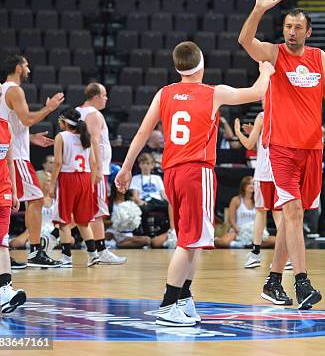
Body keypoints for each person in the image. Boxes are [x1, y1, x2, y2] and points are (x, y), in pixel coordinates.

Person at [115, 41, 274, 327]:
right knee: (188, 241)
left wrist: (126, 168)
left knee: (198, 238)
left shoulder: (164, 94)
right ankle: (167, 305)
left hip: (172, 171)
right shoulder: (214, 93)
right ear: (202, 63)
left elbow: (142, 132)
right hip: (196, 171)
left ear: (178, 66)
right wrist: (265, 69)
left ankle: (184, 296)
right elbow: (258, 92)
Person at [238, 0, 325, 309]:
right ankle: (302, 282)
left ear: (308, 32)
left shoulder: (319, 58)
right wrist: (258, 10)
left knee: (296, 217)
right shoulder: (274, 54)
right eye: (288, 26)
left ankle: (273, 281)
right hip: (281, 149)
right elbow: (245, 39)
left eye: (297, 27)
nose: (291, 31)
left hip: (312, 150)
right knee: (290, 213)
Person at [0, 54, 64, 268]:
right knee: (36, 200)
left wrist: (31, 138)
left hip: (8, 152)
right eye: (26, 65)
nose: (28, 68)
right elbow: (26, 119)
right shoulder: (14, 89)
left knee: (5, 204)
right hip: (16, 156)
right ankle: (36, 252)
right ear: (18, 68)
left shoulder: (0, 89)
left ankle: (3, 254)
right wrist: (50, 108)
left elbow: (11, 124)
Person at [234, 110, 293, 284]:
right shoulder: (286, 114)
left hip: (265, 173)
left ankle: (255, 253)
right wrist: (257, 131)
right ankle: (288, 257)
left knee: (261, 212)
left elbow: (249, 144)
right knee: (278, 214)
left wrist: (238, 132)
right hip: (281, 172)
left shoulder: (263, 115)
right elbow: (264, 142)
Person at [0, 77, 26, 313]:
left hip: (0, 194)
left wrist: (14, 190)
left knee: (0, 243)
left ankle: (6, 293)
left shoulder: (4, 125)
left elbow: (9, 161)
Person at [74, 83, 126, 265]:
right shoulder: (94, 114)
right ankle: (101, 250)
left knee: (81, 211)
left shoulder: (76, 112)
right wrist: (96, 168)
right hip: (95, 169)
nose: (106, 98)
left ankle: (57, 239)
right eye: (104, 95)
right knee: (98, 212)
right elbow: (94, 141)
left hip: (78, 168)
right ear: (95, 96)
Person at [49, 108, 100, 268]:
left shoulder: (61, 136)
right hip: (85, 178)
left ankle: (66, 257)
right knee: (83, 222)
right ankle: (93, 255)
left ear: (64, 122)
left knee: (63, 221)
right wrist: (91, 185)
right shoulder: (86, 137)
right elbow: (93, 163)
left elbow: (57, 163)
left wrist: (52, 185)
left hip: (68, 178)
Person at [130, 152, 176, 248]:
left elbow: (163, 194)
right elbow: (135, 195)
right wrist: (139, 201)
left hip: (157, 201)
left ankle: (171, 231)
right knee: (143, 209)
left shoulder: (157, 178)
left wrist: (170, 201)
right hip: (146, 201)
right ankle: (148, 236)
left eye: (148, 163)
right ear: (139, 165)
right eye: (143, 163)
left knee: (170, 206)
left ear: (152, 165)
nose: (145, 166)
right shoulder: (136, 178)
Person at [215, 176, 276, 249]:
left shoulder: (259, 201)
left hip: (255, 232)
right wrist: (238, 230)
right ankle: (240, 243)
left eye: (253, 184)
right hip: (238, 230)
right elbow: (231, 219)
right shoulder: (236, 200)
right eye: (249, 184)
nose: (252, 186)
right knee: (224, 242)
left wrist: (260, 232)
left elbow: (263, 221)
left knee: (274, 240)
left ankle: (245, 245)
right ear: (244, 186)